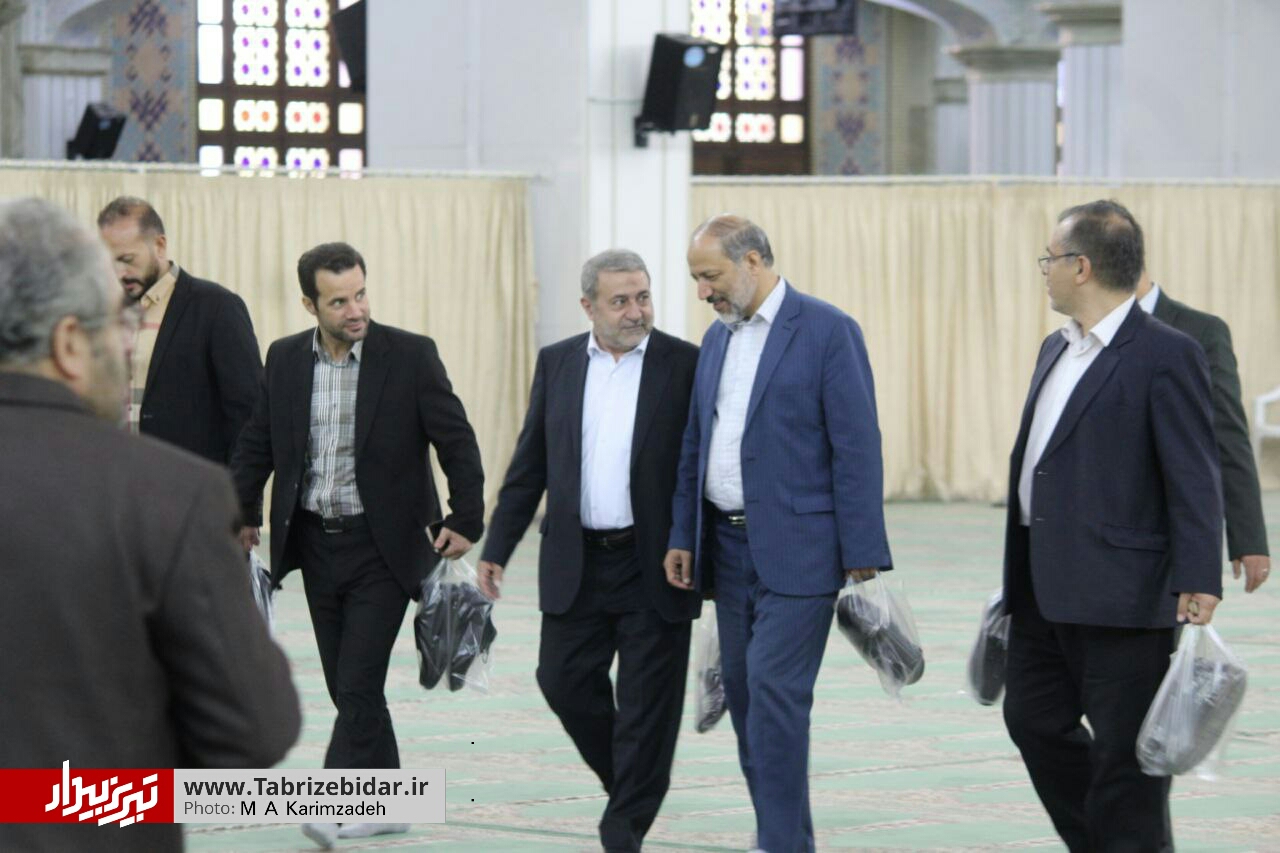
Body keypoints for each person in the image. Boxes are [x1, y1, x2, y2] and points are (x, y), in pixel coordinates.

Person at [0, 197, 300, 853]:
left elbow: (248, 414)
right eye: (114, 328)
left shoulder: (214, 310)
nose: (128, 343)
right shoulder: (172, 500)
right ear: (69, 344)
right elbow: (254, 727)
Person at [230, 242, 485, 849]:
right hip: (315, 545)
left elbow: (456, 440)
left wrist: (466, 517)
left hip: (385, 548)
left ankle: (333, 800)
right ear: (310, 305)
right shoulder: (285, 359)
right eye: (339, 301)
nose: (356, 310)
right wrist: (241, 512)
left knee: (358, 682)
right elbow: (258, 441)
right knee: (348, 685)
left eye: (361, 294)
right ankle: (389, 802)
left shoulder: (411, 356)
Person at [663, 215, 892, 852]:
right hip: (726, 551)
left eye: (710, 276)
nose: (702, 291)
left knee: (773, 693)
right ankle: (788, 839)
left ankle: (778, 844)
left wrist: (862, 552)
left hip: (802, 551)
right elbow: (695, 444)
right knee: (744, 699)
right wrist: (684, 533)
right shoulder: (716, 340)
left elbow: (857, 446)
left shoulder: (827, 331)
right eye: (695, 279)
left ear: (753, 261)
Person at [1002, 200, 1224, 852]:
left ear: (1082, 266)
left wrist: (1200, 573)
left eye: (1049, 259)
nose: (1044, 271)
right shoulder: (1055, 347)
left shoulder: (1167, 353)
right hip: (1041, 586)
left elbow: (1194, 471)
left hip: (1126, 592)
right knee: (1033, 720)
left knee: (1128, 756)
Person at [478, 249, 700, 852]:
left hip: (656, 563)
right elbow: (530, 464)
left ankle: (622, 828)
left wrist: (691, 540)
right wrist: (498, 546)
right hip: (577, 560)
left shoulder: (685, 364)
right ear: (588, 306)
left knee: (647, 706)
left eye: (643, 297)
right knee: (562, 680)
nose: (636, 311)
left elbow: (698, 465)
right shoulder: (558, 363)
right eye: (620, 301)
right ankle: (632, 785)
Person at [97, 196, 262, 464]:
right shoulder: (102, 311)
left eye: (127, 260)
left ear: (159, 246)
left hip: (190, 482)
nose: (119, 273)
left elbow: (249, 415)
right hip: (114, 480)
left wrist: (232, 488)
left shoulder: (216, 306)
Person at [1135, 270, 1270, 592]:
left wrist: (1248, 536)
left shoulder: (1201, 330)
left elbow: (1226, 433)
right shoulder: (1080, 336)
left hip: (1169, 530)